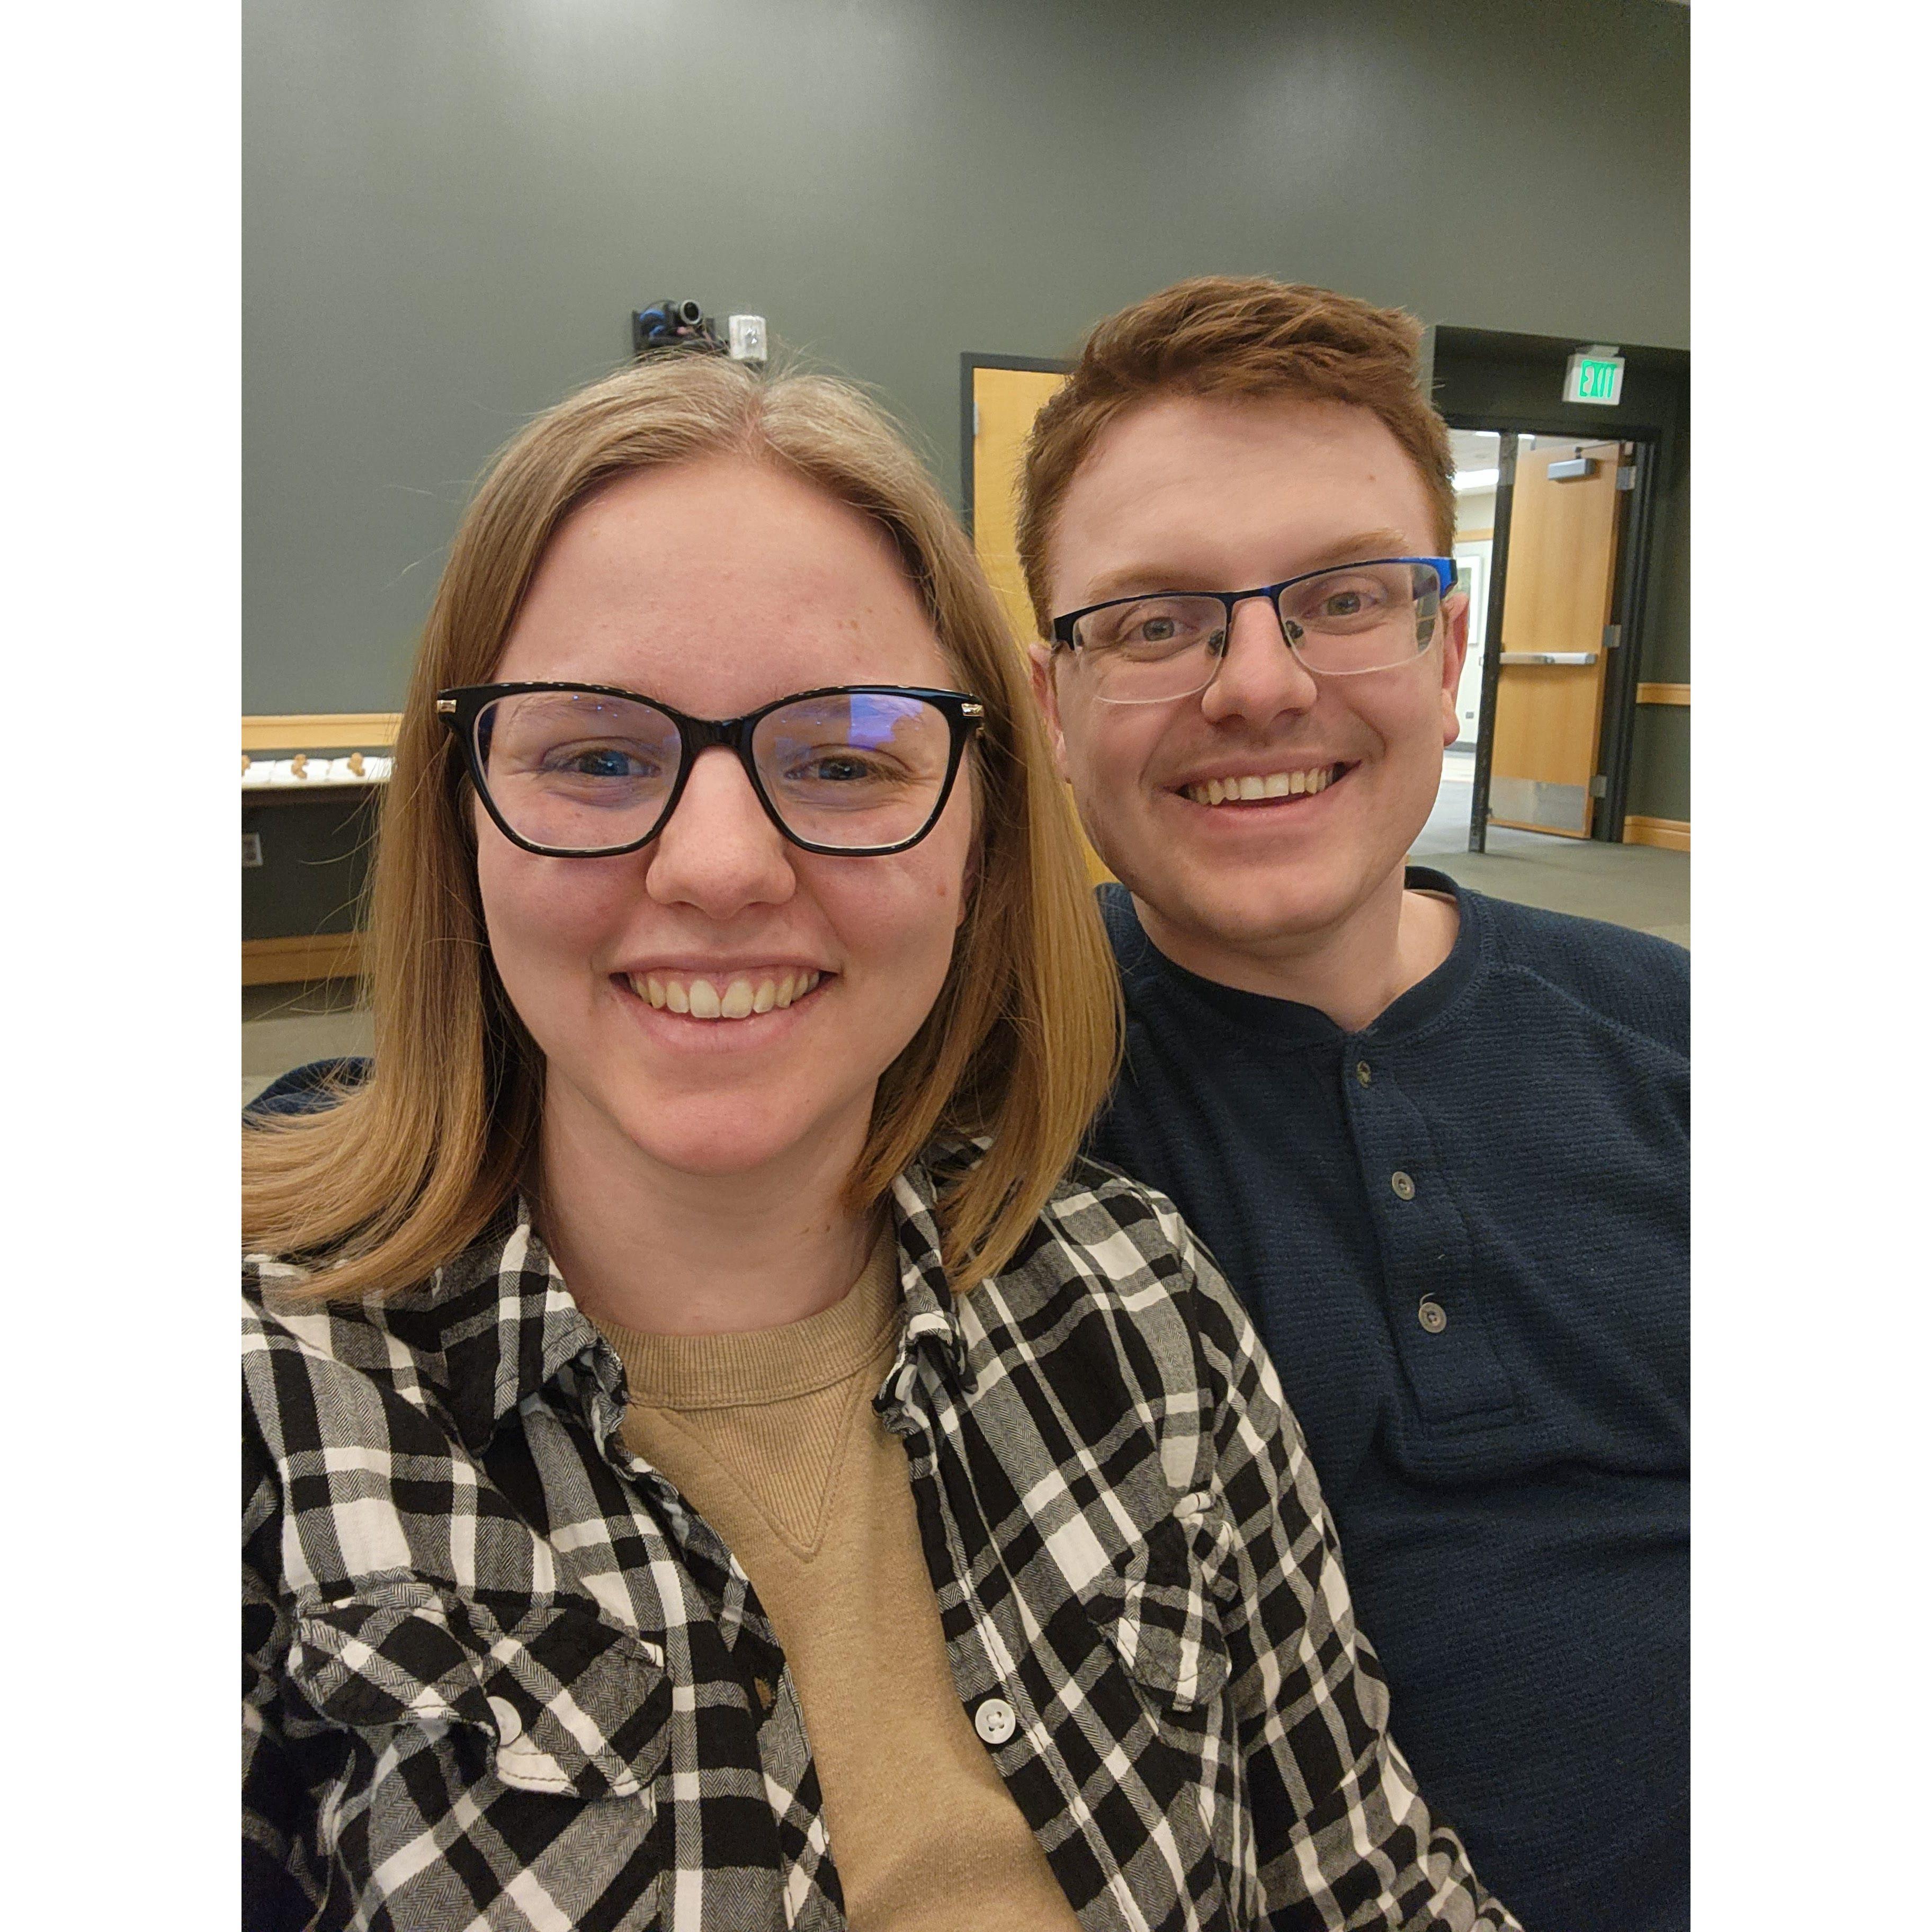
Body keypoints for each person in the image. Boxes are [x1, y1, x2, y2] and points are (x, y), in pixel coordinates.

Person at [242, 351, 1521, 1931]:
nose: (719, 866)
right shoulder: (269, 1411)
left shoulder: (1139, 1309)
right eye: (594, 756)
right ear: (464, 817)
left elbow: (1366, 1887)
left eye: (845, 759)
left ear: (980, 834)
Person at [1019, 276, 1689, 1932]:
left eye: (1345, 598)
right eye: (1156, 621)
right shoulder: (978, 1080)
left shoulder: (1694, 1046)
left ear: (1446, 648)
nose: (1257, 684)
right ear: (1053, 705)